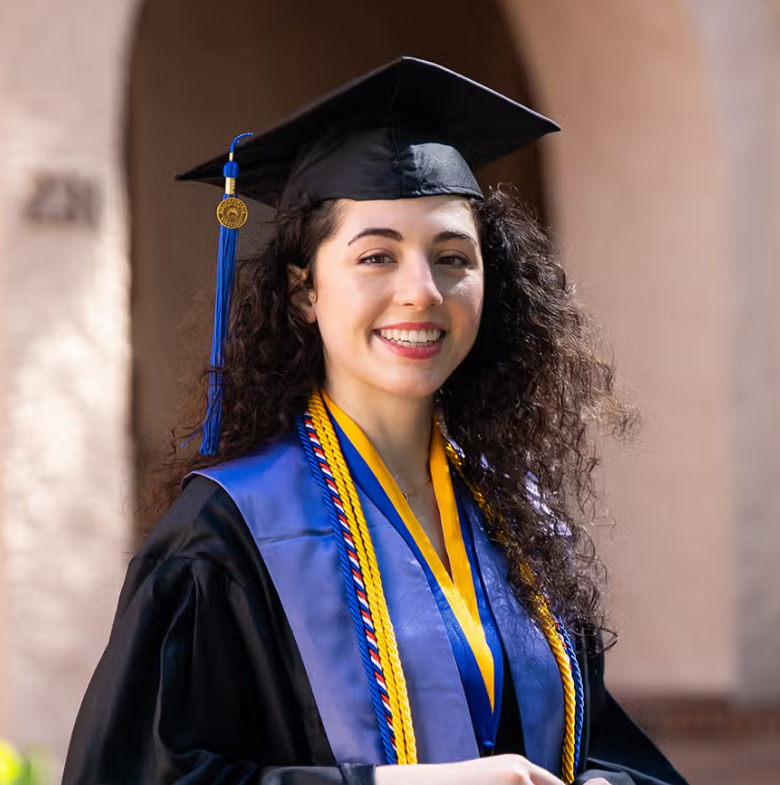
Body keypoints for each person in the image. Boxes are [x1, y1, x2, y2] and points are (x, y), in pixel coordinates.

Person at [63, 57, 689, 785]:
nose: (420, 291)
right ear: (304, 292)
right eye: (376, 256)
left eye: (453, 256)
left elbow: (596, 741)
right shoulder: (227, 535)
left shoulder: (514, 516)